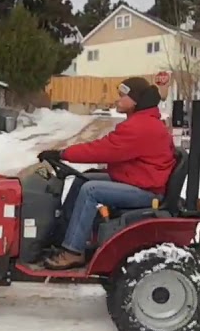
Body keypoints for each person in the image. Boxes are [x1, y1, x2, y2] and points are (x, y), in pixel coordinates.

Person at [36, 76, 175, 270]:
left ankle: (73, 251)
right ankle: (64, 237)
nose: (117, 99)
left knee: (91, 190)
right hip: (139, 180)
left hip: (147, 191)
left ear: (135, 100)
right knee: (83, 179)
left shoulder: (141, 127)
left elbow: (103, 150)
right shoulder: (142, 122)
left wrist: (63, 154)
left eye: (122, 96)